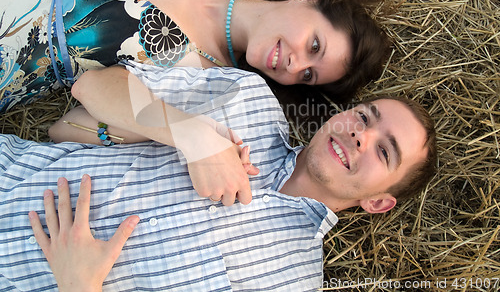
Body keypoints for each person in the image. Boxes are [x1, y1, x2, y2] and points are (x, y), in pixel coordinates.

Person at [0, 62, 437, 291]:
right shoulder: (249, 99)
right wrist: (188, 133)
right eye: (365, 116)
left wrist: (80, 285)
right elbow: (93, 86)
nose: (361, 136)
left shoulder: (292, 285)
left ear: (378, 202)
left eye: (384, 151)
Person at [0, 0, 389, 113]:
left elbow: (91, 106)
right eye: (314, 45)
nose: (296, 64)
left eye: (309, 75)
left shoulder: (207, 83)